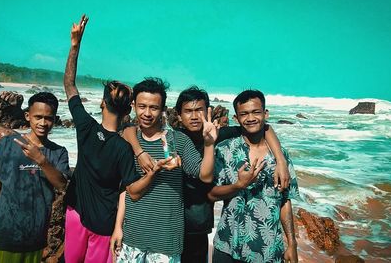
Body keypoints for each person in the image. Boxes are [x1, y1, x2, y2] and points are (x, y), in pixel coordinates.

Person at [124, 86, 290, 262]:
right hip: (169, 221)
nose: (195, 116)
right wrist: (139, 152)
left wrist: (280, 160)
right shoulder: (175, 138)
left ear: (208, 111)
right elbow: (128, 130)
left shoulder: (218, 134)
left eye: (199, 110)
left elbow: (264, 127)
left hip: (197, 222)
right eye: (188, 111)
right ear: (179, 115)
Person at [63, 15, 159, 263]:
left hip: (76, 214)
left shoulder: (85, 126)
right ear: (129, 111)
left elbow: (69, 85)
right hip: (105, 225)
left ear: (101, 103)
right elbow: (132, 192)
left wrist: (75, 45)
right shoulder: (126, 148)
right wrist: (152, 173)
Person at [112, 78, 217, 262]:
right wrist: (118, 228)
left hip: (166, 243)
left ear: (163, 109)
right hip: (131, 237)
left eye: (153, 107)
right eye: (142, 106)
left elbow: (205, 176)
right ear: (134, 105)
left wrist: (209, 144)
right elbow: (124, 189)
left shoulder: (180, 141)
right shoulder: (127, 140)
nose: (147, 113)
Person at [0, 92, 70, 263]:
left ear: (55, 119)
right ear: (28, 116)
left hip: (35, 234)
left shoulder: (58, 152)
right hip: (4, 229)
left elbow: (61, 185)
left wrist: (41, 160)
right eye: (38, 117)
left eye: (48, 118)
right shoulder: (8, 144)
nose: (43, 123)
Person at [209, 90, 299, 263]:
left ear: (265, 114)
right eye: (244, 113)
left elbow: (285, 200)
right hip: (228, 245)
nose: (250, 118)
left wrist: (292, 244)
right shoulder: (224, 150)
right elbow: (211, 195)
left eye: (256, 112)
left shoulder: (281, 156)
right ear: (236, 118)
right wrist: (238, 185)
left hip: (268, 250)